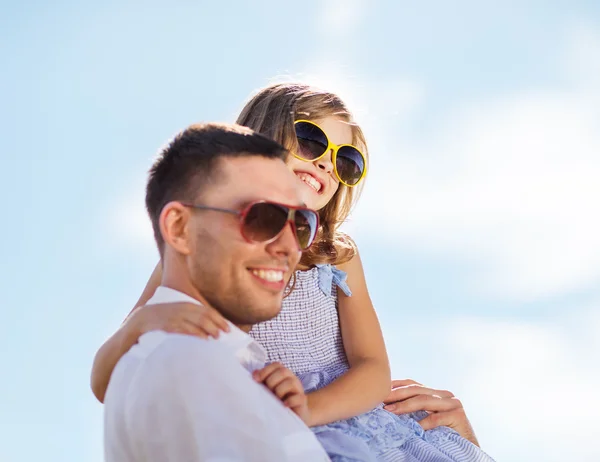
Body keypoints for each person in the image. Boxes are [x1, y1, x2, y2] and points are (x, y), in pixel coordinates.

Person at [95, 83, 494, 462]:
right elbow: (105, 379)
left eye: (347, 161)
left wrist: (306, 409)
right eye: (312, 140)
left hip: (337, 418)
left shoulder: (337, 257)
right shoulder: (201, 249)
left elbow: (373, 368)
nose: (325, 162)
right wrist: (140, 324)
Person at [104, 122, 331, 461]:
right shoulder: (186, 363)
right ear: (180, 229)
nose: (290, 247)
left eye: (301, 225)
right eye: (262, 217)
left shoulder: (230, 372)